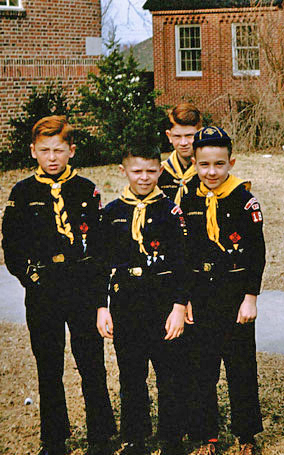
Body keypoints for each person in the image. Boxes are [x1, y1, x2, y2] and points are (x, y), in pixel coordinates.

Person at [2, 115, 116, 455]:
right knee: (48, 366)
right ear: (33, 151)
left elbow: (99, 245)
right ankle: (54, 439)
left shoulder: (86, 189)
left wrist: (98, 295)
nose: (52, 157)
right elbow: (12, 245)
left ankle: (101, 435)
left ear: (72, 151)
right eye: (45, 150)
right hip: (44, 290)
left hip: (81, 286)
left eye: (59, 150)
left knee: (91, 363)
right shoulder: (22, 193)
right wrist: (31, 278)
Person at [96, 143, 189, 455]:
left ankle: (171, 439)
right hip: (127, 302)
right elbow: (99, 265)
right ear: (123, 172)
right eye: (137, 171)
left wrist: (179, 305)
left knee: (169, 374)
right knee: (132, 374)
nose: (145, 177)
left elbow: (181, 262)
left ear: (161, 171)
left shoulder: (172, 213)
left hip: (162, 301)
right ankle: (134, 437)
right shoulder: (111, 213)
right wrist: (101, 307)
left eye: (151, 170)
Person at [181, 126, 265, 455]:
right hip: (201, 292)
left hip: (234, 293)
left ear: (231, 162)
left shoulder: (245, 201)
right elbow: (185, 252)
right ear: (195, 163)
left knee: (241, 367)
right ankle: (207, 436)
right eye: (204, 165)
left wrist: (250, 297)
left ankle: (246, 435)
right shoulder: (188, 199)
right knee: (202, 368)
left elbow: (256, 252)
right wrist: (184, 298)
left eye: (218, 164)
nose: (211, 172)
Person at [158, 103, 202, 206]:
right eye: (177, 136)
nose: (183, 143)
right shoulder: (159, 173)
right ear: (169, 136)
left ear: (200, 133)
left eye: (189, 136)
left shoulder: (210, 173)